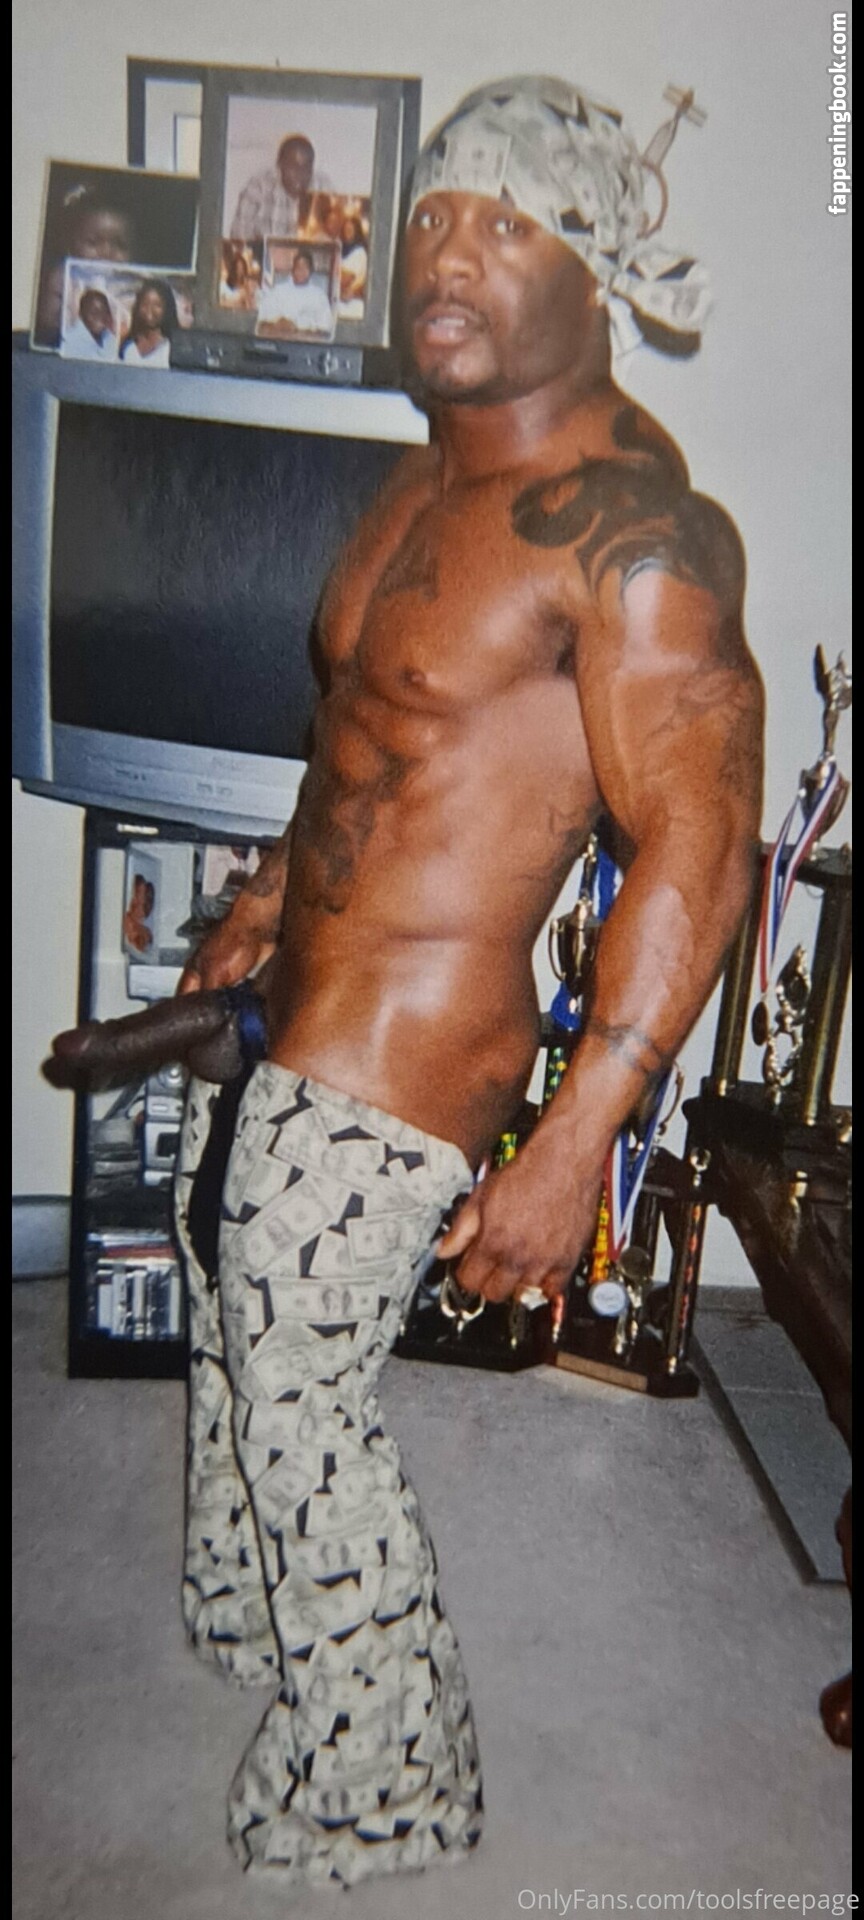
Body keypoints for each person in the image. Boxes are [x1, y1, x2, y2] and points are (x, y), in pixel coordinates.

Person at [47, 76, 764, 1894]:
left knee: (302, 1386)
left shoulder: (636, 543)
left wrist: (576, 1147)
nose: (445, 253)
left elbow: (698, 850)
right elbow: (369, 736)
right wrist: (267, 892)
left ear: (594, 271)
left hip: (418, 1052)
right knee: (231, 1303)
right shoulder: (425, 466)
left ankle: (390, 1782)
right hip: (297, 997)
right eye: (434, 215)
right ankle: (246, 1608)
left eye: (502, 223)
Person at [230, 133, 332, 244]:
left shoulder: (323, 188)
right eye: (293, 165)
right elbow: (239, 238)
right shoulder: (258, 187)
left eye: (306, 167)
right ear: (279, 164)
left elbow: (335, 243)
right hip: (264, 255)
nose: (300, 173)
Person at [255, 248, 334, 337]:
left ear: (311, 271)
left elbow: (325, 328)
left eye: (305, 268)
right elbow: (261, 321)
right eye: (298, 267)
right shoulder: (278, 291)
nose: (301, 271)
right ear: (292, 269)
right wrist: (279, 323)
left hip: (305, 340)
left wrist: (298, 328)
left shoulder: (319, 296)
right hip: (278, 338)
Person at [118, 279, 178, 368]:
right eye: (145, 304)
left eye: (157, 305)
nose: (149, 310)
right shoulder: (127, 346)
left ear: (167, 309)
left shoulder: (172, 348)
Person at [60, 286, 118, 362]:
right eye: (95, 313)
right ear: (81, 314)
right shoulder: (68, 342)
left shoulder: (111, 339)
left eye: (105, 312)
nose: (101, 317)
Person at [338, 214, 369, 313]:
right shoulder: (341, 251)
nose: (347, 233)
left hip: (351, 305)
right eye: (345, 230)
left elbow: (345, 280)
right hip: (340, 301)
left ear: (357, 232)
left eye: (350, 230)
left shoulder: (359, 252)